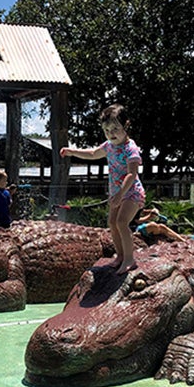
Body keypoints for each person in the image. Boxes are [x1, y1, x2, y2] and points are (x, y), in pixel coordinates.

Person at [60, 104, 145, 274]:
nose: (111, 133)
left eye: (115, 129)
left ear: (126, 125)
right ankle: (120, 255)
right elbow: (93, 154)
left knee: (122, 222)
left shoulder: (131, 149)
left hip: (131, 192)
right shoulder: (109, 146)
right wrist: (72, 152)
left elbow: (132, 174)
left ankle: (130, 259)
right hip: (116, 193)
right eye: (107, 130)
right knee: (112, 223)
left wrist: (120, 194)